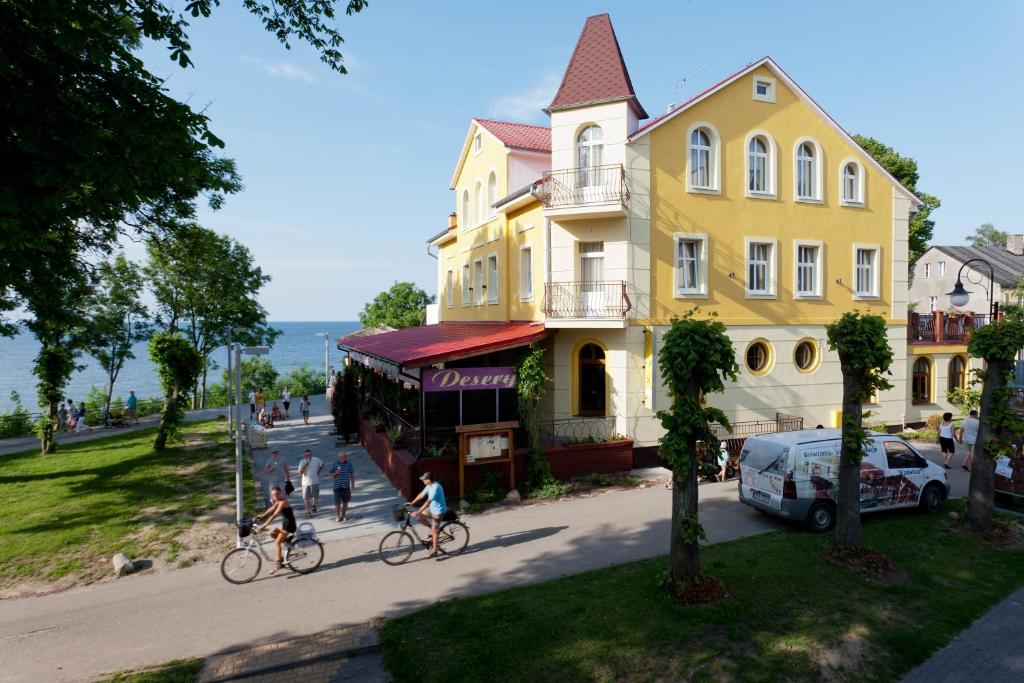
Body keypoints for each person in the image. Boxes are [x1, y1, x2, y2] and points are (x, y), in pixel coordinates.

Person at [253, 486, 297, 575]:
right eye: (273, 495)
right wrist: (262, 515)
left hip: (289, 525)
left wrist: (264, 525)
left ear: (280, 493)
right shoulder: (278, 501)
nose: (275, 496)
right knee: (272, 534)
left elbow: (274, 515)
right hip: (285, 523)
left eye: (277, 494)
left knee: (277, 543)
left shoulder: (283, 501)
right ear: (271, 496)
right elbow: (271, 509)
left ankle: (279, 564)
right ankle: (286, 544)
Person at [408, 472, 447, 558]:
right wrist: (412, 503)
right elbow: (421, 495)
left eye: (424, 479)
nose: (422, 481)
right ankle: (432, 530)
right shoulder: (429, 485)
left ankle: (434, 551)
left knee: (434, 529)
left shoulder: (436, 487)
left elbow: (428, 501)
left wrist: (418, 511)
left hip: (438, 511)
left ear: (428, 480)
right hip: (432, 508)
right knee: (417, 517)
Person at [327, 451, 356, 523]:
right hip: (337, 487)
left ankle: (344, 514)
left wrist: (353, 484)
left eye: (346, 456)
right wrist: (335, 473)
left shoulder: (349, 464)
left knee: (345, 501)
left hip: (346, 486)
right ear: (340, 457)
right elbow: (329, 474)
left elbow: (352, 473)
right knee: (337, 502)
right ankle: (337, 515)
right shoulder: (335, 464)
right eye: (344, 456)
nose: (346, 457)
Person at [298, 449, 324, 518]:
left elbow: (322, 464)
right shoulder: (302, 462)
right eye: (306, 455)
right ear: (304, 455)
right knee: (306, 498)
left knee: (316, 496)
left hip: (315, 481)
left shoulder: (316, 459)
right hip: (305, 483)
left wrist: (319, 471)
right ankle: (308, 512)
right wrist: (305, 465)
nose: (308, 457)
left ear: (311, 455)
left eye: (309, 455)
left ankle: (314, 505)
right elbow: (300, 473)